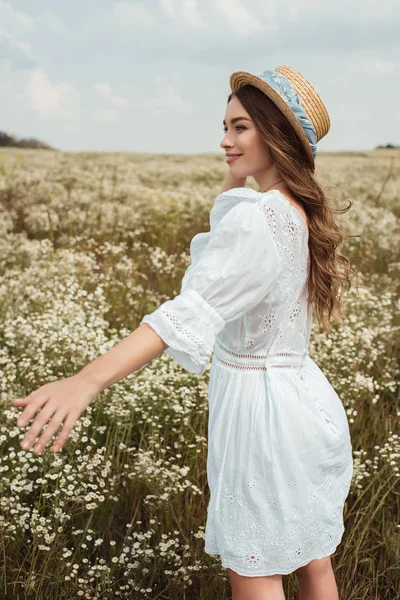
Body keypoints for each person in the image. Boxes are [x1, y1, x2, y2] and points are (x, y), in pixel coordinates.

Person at [13, 65, 356, 600]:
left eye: (240, 127)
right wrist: (238, 176)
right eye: (225, 126)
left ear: (278, 133)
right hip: (302, 402)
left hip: (261, 415)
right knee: (314, 560)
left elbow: (190, 308)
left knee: (256, 567)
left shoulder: (259, 220)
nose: (224, 140)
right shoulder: (295, 213)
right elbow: (228, 254)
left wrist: (87, 380)